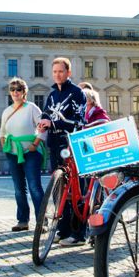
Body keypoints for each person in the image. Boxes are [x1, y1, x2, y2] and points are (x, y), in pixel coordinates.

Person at [38, 57, 86, 247]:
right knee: (59, 189)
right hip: (55, 144)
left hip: (71, 145)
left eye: (61, 71)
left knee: (75, 189)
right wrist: (42, 122)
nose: (58, 74)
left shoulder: (77, 93)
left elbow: (79, 121)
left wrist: (54, 123)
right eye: (55, 71)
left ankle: (78, 234)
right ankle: (63, 229)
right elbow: (46, 113)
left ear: (69, 72)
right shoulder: (51, 95)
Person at [0, 77, 46, 232]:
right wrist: (4, 145)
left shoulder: (31, 108)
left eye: (18, 89)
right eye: (12, 89)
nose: (15, 92)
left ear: (24, 92)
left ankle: (42, 221)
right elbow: (2, 132)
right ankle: (22, 221)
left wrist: (35, 144)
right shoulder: (7, 111)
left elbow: (42, 127)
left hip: (30, 152)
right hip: (13, 153)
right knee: (19, 188)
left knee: (34, 186)